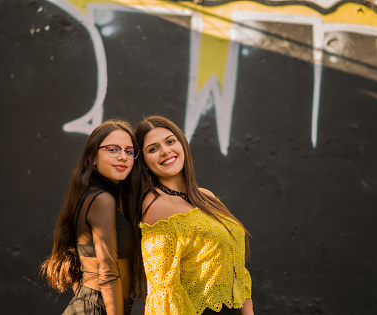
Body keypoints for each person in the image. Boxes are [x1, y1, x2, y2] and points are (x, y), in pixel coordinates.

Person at [133, 115, 254, 315]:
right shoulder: (156, 207)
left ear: (183, 144)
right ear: (144, 162)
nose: (165, 151)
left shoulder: (205, 196)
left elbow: (238, 272)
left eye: (170, 141)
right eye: (153, 149)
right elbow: (164, 291)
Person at [41, 119, 144, 315]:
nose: (123, 156)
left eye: (129, 151)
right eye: (113, 149)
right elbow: (108, 274)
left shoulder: (92, 196)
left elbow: (79, 263)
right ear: (92, 157)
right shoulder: (102, 200)